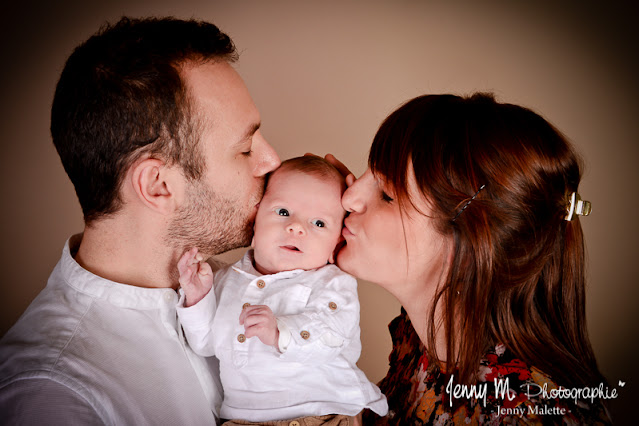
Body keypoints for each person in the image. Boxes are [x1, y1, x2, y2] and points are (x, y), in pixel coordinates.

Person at [0, 17, 280, 424]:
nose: (271, 160)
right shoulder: (52, 395)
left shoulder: (246, 285)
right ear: (158, 186)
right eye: (245, 148)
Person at [336, 93, 612, 424]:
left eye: (387, 195)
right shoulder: (421, 339)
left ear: (466, 244)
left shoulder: (521, 415)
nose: (349, 196)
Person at [176, 156, 388, 424]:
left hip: (321, 413)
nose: (296, 227)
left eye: (319, 223)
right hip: (242, 419)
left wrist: (280, 332)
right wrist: (197, 298)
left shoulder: (332, 283)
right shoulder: (225, 279)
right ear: (255, 222)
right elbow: (205, 344)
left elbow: (331, 334)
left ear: (335, 247)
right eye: (284, 212)